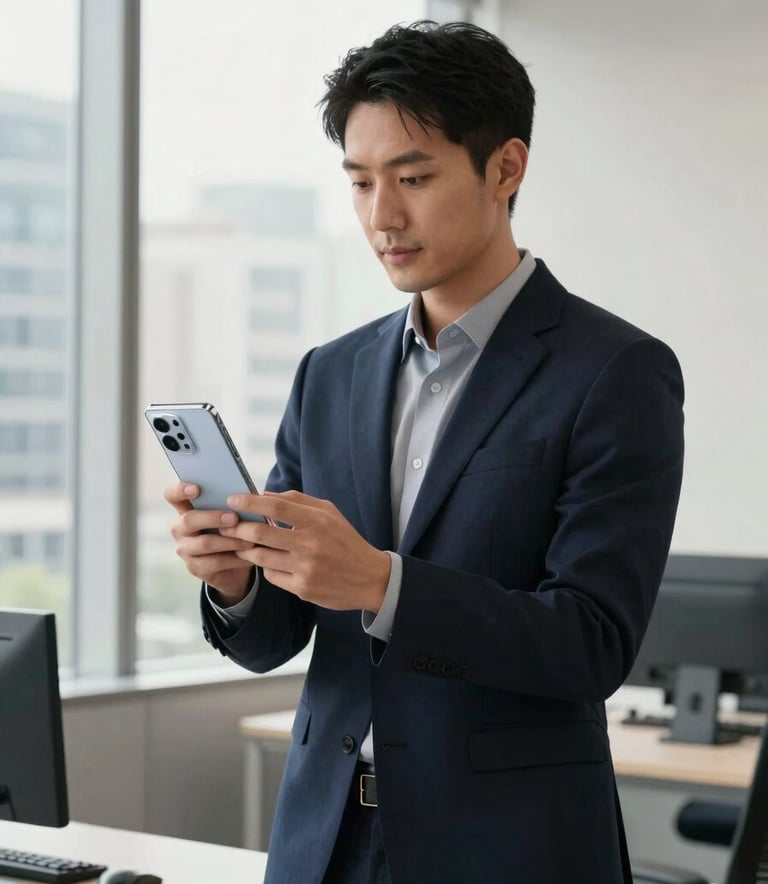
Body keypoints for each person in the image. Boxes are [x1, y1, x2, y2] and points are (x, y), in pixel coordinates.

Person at [164, 20, 684, 884]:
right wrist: (235, 578)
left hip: (507, 849)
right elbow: (274, 640)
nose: (382, 216)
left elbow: (589, 645)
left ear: (506, 168)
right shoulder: (329, 373)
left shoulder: (615, 372)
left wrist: (380, 583)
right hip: (323, 841)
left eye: (412, 177)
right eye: (361, 182)